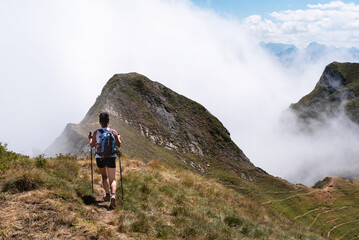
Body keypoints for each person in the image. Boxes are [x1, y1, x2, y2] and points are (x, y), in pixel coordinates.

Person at [89, 112, 121, 209]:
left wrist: (90, 139)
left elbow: (91, 145)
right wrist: (118, 137)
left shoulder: (96, 132)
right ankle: (113, 195)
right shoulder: (113, 131)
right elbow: (119, 145)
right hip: (111, 156)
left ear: (99, 122)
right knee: (113, 179)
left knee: (104, 177)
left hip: (100, 157)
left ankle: (107, 194)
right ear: (109, 122)